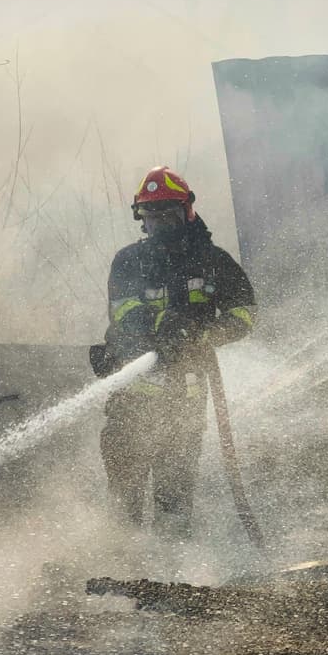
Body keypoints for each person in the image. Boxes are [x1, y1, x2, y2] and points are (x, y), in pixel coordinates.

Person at [90, 165, 256, 538]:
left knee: (175, 509)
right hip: (131, 406)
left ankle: (170, 583)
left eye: (167, 216)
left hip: (184, 405)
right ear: (141, 220)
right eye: (151, 218)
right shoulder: (130, 262)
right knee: (123, 507)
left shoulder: (213, 261)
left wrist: (207, 334)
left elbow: (245, 311)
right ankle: (122, 581)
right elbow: (122, 311)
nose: (159, 226)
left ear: (187, 211)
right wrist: (161, 323)